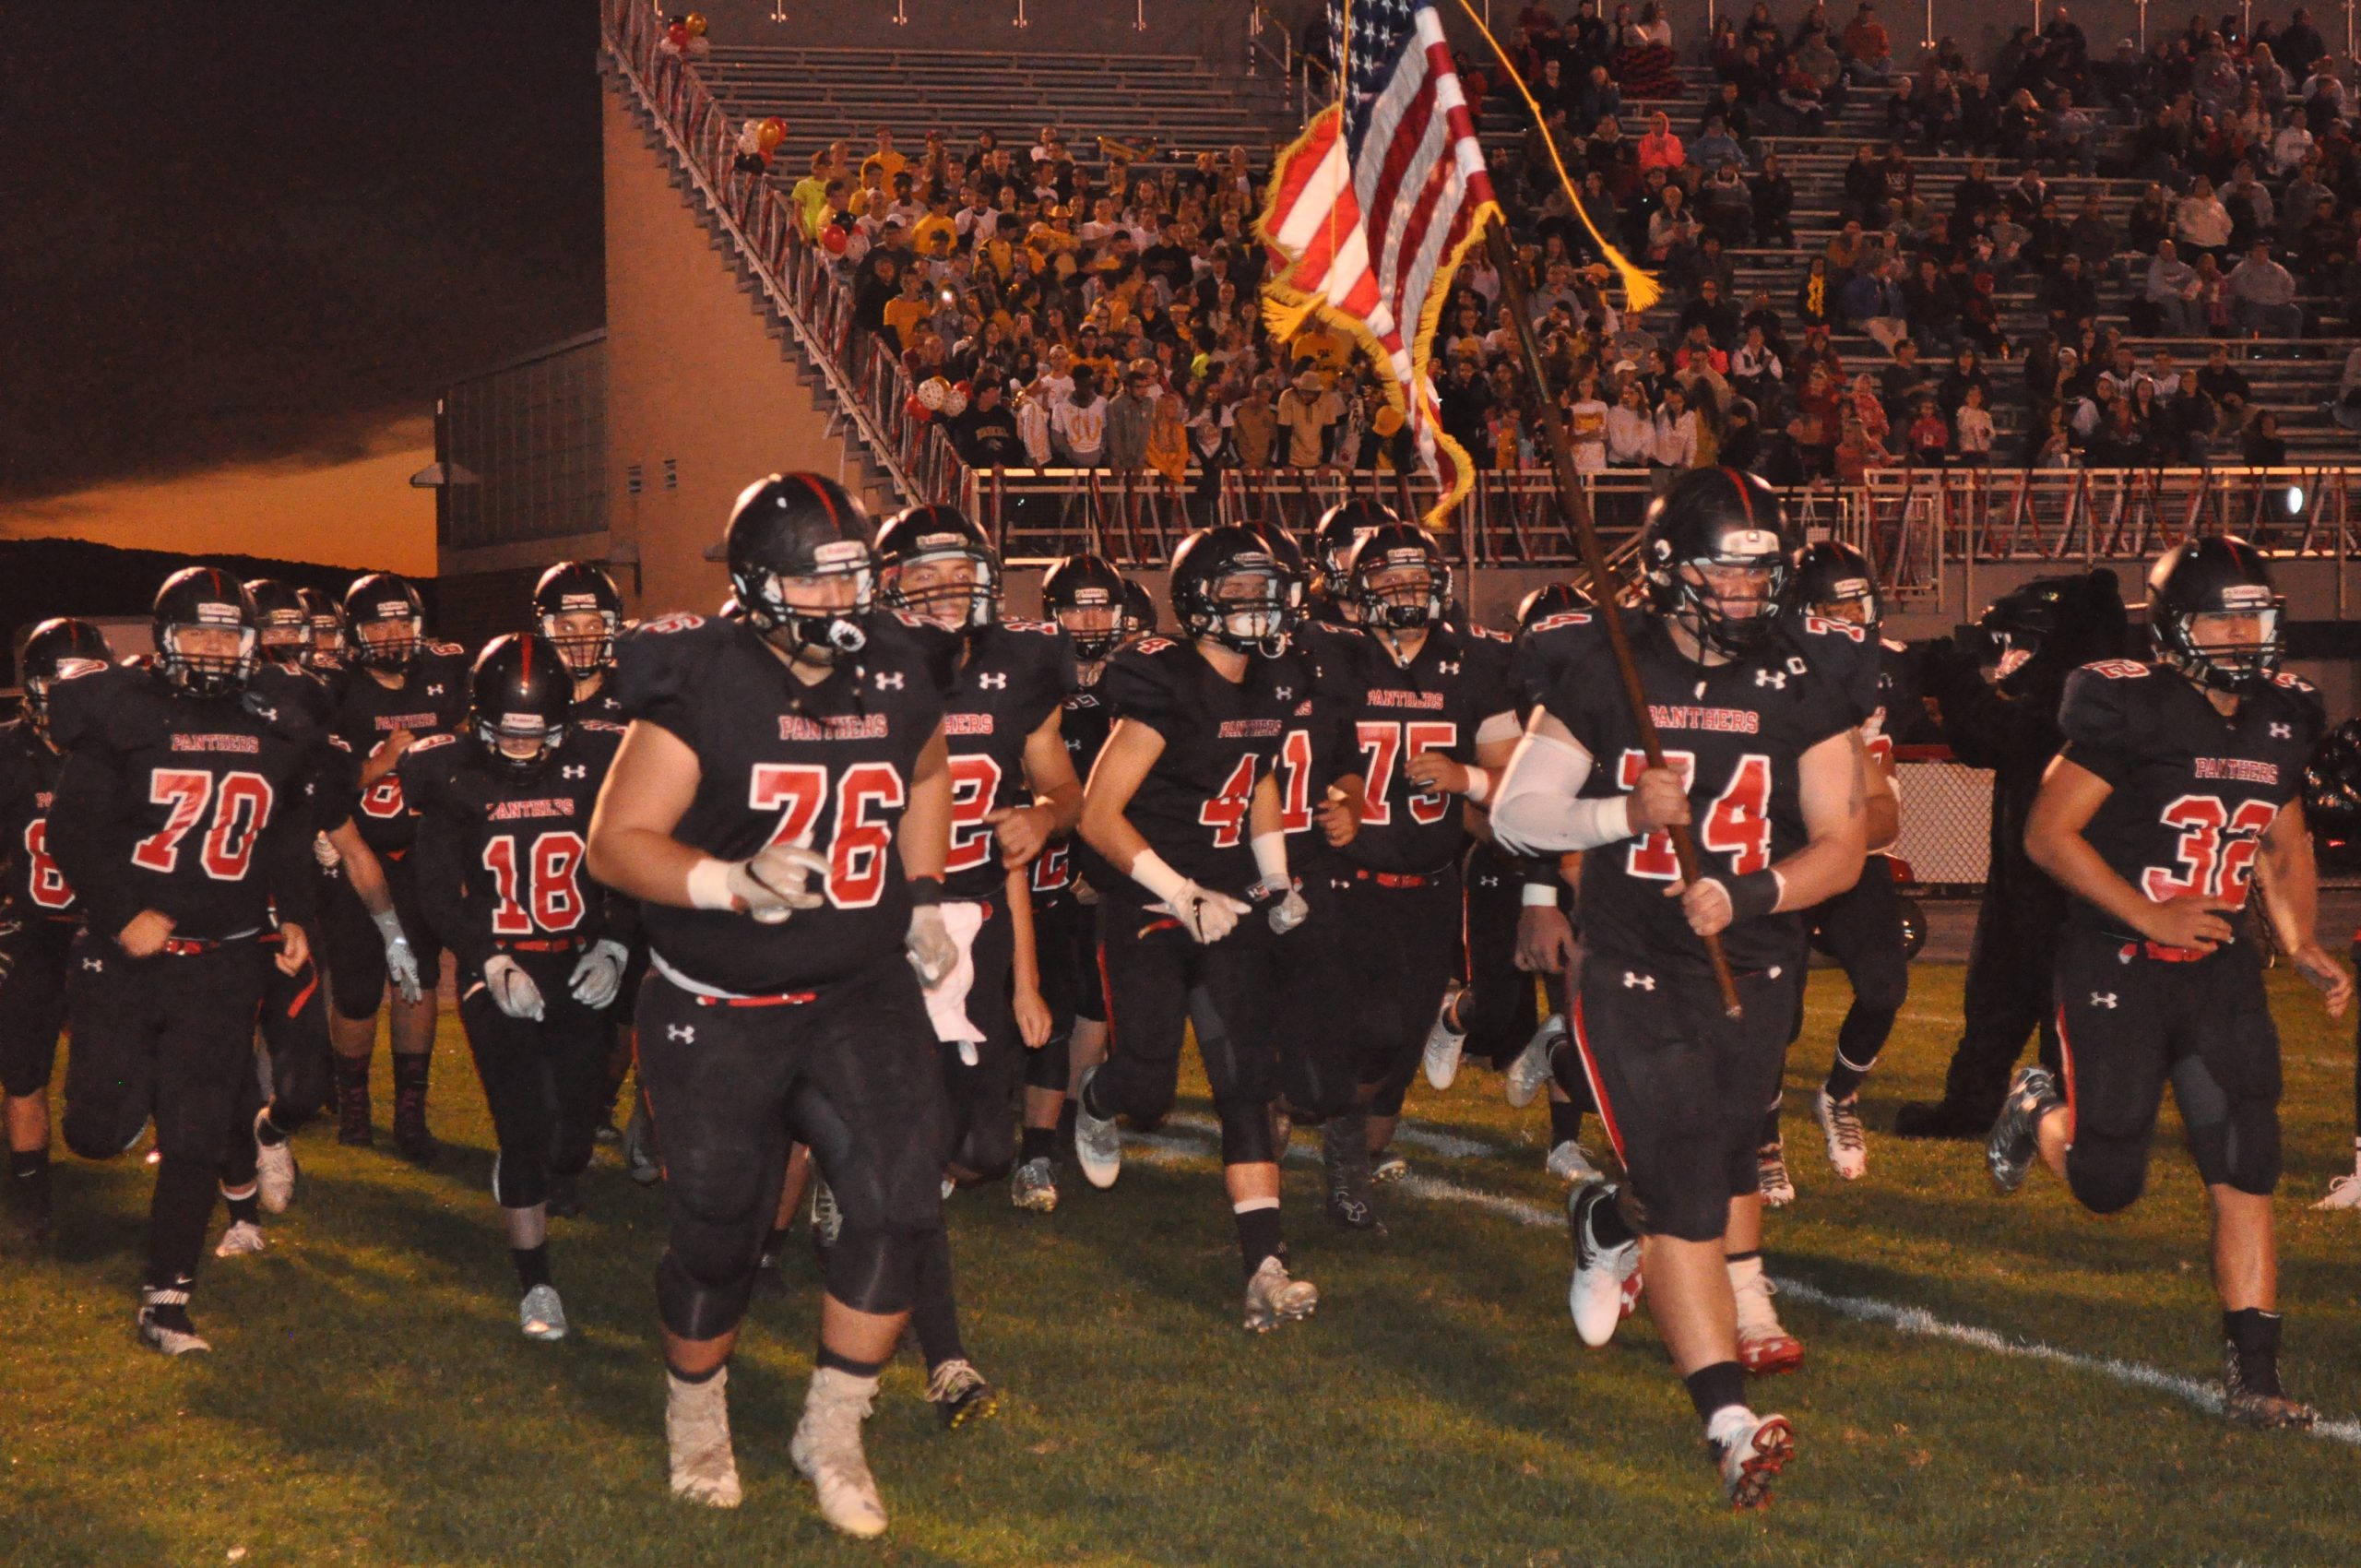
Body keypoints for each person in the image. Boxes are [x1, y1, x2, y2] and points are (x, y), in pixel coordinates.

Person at [1492, 469, 1876, 1507]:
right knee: (1692, 1189)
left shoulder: (1812, 672)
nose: (1749, 593)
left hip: (1751, 960)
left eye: (1762, 573)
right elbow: (1516, 814)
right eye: (1726, 570)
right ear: (1668, 569)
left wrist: (1750, 891)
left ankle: (1608, 1224)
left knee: (1695, 1168)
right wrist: (1622, 813)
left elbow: (1845, 844)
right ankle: (1725, 1419)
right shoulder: (1608, 657)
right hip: (1626, 956)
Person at [585, 472, 957, 1536]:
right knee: (717, 1225)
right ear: (758, 584)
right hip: (720, 995)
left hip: (858, 986)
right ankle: (695, 1407)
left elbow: (926, 774)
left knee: (897, 1202)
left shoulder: (893, 663)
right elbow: (614, 841)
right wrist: (729, 881)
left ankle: (831, 1426)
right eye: (821, 574)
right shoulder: (704, 678)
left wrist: (922, 894)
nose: (847, 593)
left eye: (856, 571)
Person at [1995, 538, 2349, 1429]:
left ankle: (2256, 1378)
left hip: (2220, 970)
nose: (2242, 634)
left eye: (2254, 615)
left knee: (2245, 1164)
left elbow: (2284, 839)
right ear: (2173, 629)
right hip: (2117, 955)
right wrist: (2150, 915)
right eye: (2221, 617)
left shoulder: (2282, 716)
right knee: (2106, 1183)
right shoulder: (2130, 708)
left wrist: (2301, 939)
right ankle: (2039, 1106)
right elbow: (2047, 834)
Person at [47, 569, 324, 1355]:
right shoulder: (122, 714)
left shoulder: (272, 717)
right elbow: (72, 833)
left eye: (225, 634)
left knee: (197, 1131)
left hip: (224, 958)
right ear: (164, 642)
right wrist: (120, 911)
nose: (211, 648)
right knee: (96, 1134)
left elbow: (284, 828)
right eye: (196, 633)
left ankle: (166, 1299)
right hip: (126, 958)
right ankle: (131, 1111)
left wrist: (296, 912)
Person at [1070, 527, 1323, 1330]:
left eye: (1267, 588)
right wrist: (1180, 894)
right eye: (1241, 590)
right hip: (1150, 897)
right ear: (1197, 599)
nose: (1260, 605)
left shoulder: (1276, 678)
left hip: (1229, 901)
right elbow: (1096, 815)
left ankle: (1265, 1268)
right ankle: (1095, 1098)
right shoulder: (1162, 680)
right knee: (1146, 1084)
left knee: (1243, 1078)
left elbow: (1257, 781)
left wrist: (1277, 877)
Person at [868, 502, 1081, 1423]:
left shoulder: (1018, 663)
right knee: (912, 1149)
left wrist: (1045, 815)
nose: (950, 585)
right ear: (890, 584)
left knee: (983, 1147)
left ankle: (880, 1208)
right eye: (927, 571)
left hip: (983, 919)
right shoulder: (858, 667)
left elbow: (1060, 786)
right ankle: (943, 1350)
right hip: (885, 924)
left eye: (962, 567)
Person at [405, 634, 630, 1341]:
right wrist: (485, 957)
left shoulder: (599, 763)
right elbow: (438, 890)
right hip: (499, 966)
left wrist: (618, 942)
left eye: (541, 735)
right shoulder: (450, 773)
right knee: (525, 1127)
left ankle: (543, 1166)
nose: (526, 749)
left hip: (578, 961)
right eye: (510, 732)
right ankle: (536, 1283)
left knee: (573, 1137)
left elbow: (633, 857)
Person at [1312, 522, 1521, 1232]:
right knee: (1361, 1035)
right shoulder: (1337, 656)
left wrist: (1466, 776)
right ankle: (1336, 1175)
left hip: (1432, 883)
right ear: (1357, 589)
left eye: (1414, 578)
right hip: (1347, 881)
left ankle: (1353, 1166)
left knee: (1396, 1050)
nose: (1403, 592)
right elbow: (1303, 754)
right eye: (1387, 580)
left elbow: (1517, 775)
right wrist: (1333, 801)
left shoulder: (1476, 661)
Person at [1895, 574, 2132, 1137]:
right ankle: (1972, 1106)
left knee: (2062, 1006)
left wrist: (1956, 678)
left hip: (2071, 885)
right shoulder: (2058, 693)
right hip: (2023, 878)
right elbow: (1980, 742)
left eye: (2016, 642)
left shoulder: (2090, 700)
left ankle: (2069, 1112)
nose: (2004, 658)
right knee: (1994, 996)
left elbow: (2001, 733)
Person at [1767, 543, 1911, 1194]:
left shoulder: (1887, 667)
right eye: (1836, 608)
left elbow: (1881, 806)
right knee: (1776, 1013)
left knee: (1885, 985)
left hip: (1853, 849)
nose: (1854, 620)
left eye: (1861, 605)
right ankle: (1763, 1133)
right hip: (1780, 856)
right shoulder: (1767, 671)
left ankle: (1839, 1095)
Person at [322, 572, 470, 1159]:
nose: (392, 634)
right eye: (378, 623)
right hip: (354, 843)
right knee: (358, 990)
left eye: (401, 622)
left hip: (423, 847)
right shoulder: (335, 687)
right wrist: (382, 761)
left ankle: (411, 1108)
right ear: (356, 633)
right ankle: (353, 1103)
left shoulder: (443, 674)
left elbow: (466, 743)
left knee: (419, 977)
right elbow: (326, 786)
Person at [1012, 554, 1139, 1210]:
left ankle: (1067, 1121)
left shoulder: (1136, 683)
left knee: (1094, 1004)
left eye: (1100, 606)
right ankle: (1028, 1121)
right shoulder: (1033, 681)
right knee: (1041, 1005)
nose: (1090, 619)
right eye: (1076, 606)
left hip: (1100, 874)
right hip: (1031, 874)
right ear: (1052, 612)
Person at [0, 618, 113, 1246]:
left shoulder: (127, 748)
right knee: (23, 1072)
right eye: (59, 681)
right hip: (33, 932)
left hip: (110, 931)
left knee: (120, 1083)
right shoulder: (8, 753)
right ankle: (32, 1200)